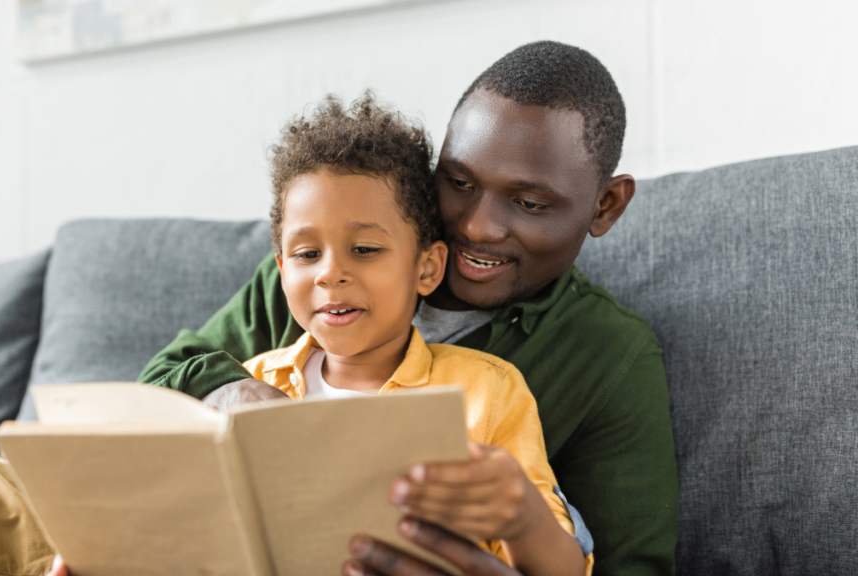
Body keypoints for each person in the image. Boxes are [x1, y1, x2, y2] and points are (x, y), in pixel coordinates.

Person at [140, 41, 678, 576]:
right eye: (459, 182)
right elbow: (157, 387)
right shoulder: (311, 274)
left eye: (530, 203)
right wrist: (234, 392)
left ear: (605, 206)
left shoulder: (604, 356)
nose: (475, 226)